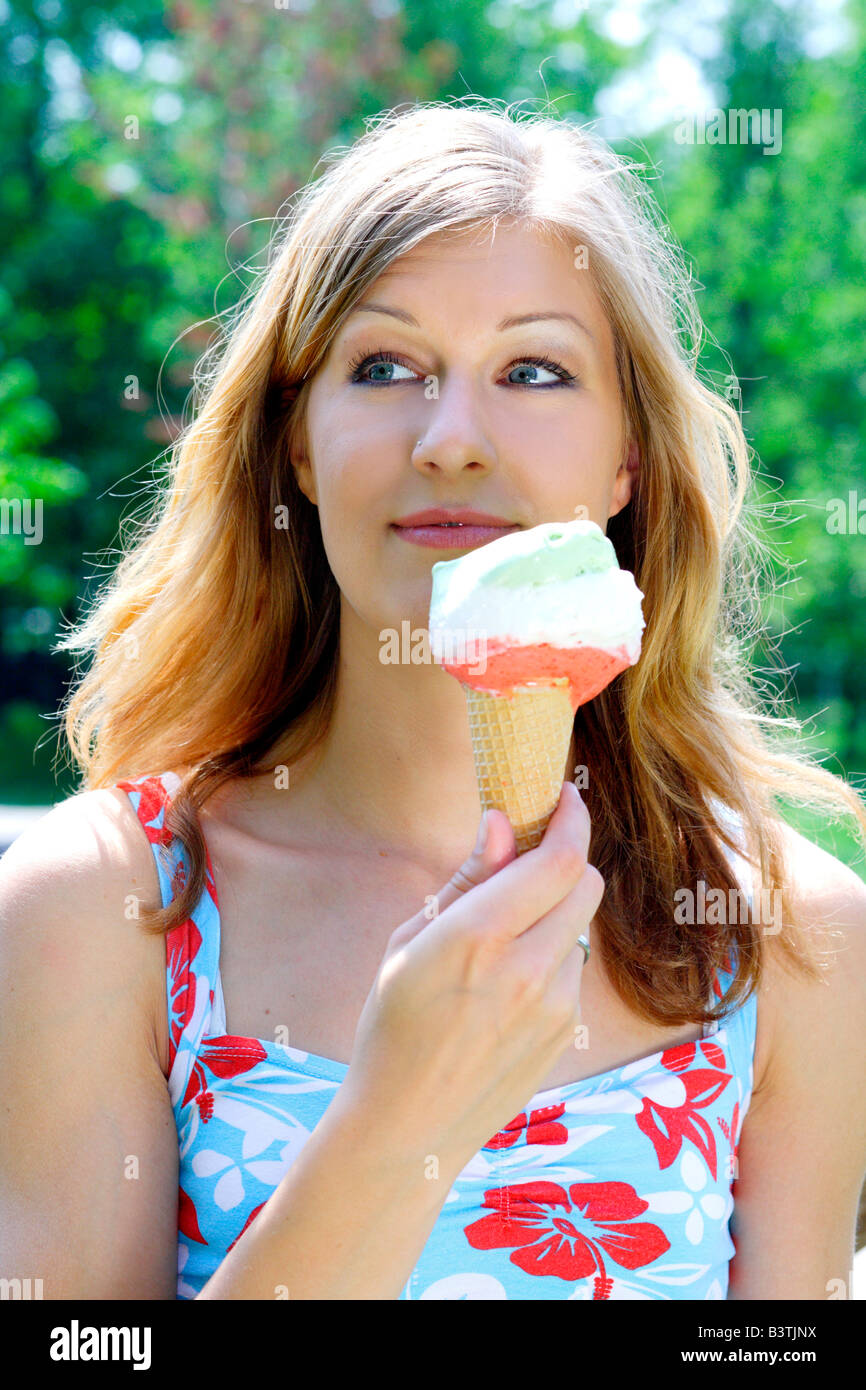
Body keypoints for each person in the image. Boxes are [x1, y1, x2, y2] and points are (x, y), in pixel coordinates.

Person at [2, 98, 865, 1302]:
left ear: (625, 458)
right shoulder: (104, 909)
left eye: (532, 369)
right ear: (296, 445)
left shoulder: (790, 938)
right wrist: (398, 1118)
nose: (451, 436)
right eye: (384, 365)